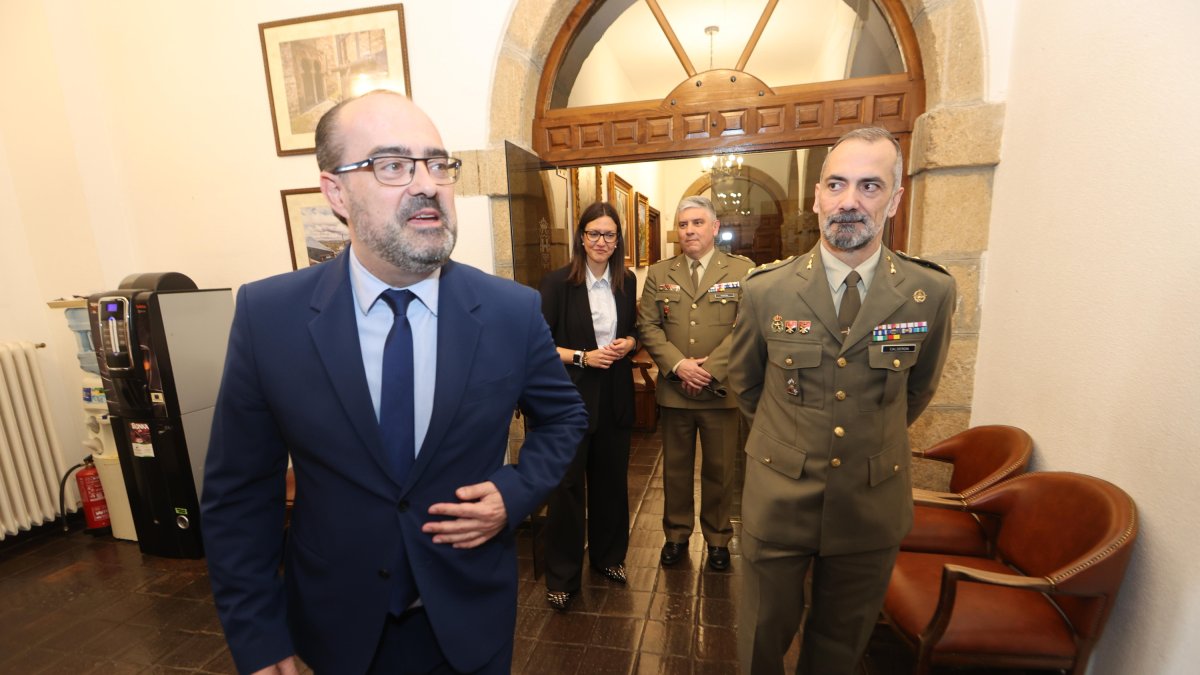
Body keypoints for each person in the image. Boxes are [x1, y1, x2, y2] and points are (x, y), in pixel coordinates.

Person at [200, 91, 587, 675]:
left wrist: (516, 493)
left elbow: (565, 417)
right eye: (392, 166)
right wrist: (257, 635)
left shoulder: (510, 311)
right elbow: (238, 497)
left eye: (438, 163)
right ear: (336, 192)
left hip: (468, 619)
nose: (427, 184)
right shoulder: (269, 317)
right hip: (334, 628)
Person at [729, 127, 956, 675]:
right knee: (762, 638)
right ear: (817, 197)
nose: (850, 201)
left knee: (839, 647)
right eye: (836, 184)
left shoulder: (931, 291)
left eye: (870, 185)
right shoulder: (767, 291)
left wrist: (862, 433)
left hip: (870, 503)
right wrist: (792, 439)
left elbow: (919, 388)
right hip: (779, 496)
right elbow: (745, 383)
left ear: (895, 199)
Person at [637, 195, 755, 571]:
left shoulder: (742, 270)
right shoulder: (660, 272)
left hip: (720, 392)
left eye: (697, 223)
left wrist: (709, 370)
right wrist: (679, 366)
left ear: (715, 228)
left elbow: (746, 327)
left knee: (721, 471)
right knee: (675, 470)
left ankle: (719, 539)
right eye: (683, 224)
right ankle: (675, 536)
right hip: (675, 391)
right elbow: (648, 326)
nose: (689, 230)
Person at [537, 201, 639, 611]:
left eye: (610, 235)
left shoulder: (626, 281)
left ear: (618, 241)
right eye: (594, 233)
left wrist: (630, 343)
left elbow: (634, 330)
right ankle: (561, 576)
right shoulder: (557, 283)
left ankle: (608, 558)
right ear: (581, 237)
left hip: (614, 393)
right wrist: (583, 356)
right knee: (566, 489)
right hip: (570, 398)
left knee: (612, 483)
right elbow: (539, 343)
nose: (602, 241)